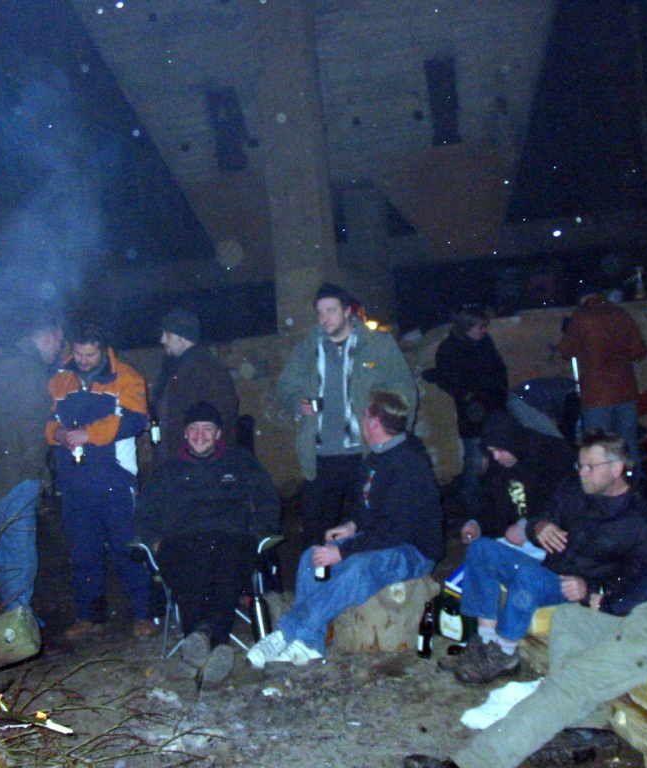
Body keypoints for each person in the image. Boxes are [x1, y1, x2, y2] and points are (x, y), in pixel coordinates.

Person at [403, 467, 647, 768]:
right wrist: (606, 597)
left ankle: (470, 763)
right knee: (569, 618)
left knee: (569, 685)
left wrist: (611, 603)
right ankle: (586, 727)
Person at [246, 391, 442, 668]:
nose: (361, 421)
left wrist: (343, 552)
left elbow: (394, 531)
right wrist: (351, 526)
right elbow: (368, 512)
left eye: (365, 415)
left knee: (357, 567)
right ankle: (310, 644)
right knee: (311, 558)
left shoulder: (409, 463)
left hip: (414, 551)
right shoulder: (374, 458)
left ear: (375, 422)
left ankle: (286, 633)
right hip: (382, 540)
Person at [444, 430, 647, 684]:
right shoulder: (573, 488)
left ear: (617, 468)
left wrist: (590, 589)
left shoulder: (640, 522)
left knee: (529, 575)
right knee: (481, 549)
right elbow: (542, 516)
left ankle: (506, 654)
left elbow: (640, 583)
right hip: (549, 572)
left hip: (574, 590)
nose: (582, 472)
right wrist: (539, 526)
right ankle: (485, 643)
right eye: (580, 465)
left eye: (590, 467)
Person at [137, 401, 279, 687]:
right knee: (184, 564)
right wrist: (153, 541)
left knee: (226, 564)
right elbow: (145, 513)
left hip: (231, 538)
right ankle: (215, 641)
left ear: (218, 434)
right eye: (194, 429)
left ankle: (198, 643)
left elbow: (268, 502)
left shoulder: (240, 462)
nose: (200, 435)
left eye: (207, 429)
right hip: (181, 540)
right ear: (185, 433)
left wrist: (259, 534)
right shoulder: (168, 470)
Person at [277, 283, 417, 547]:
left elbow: (405, 391)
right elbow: (285, 388)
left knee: (365, 527)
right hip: (319, 457)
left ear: (348, 311)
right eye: (320, 313)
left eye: (331, 310)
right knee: (316, 533)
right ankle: (320, 573)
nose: (324, 318)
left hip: (364, 454)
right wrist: (296, 403)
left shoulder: (378, 345)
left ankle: (363, 574)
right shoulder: (307, 349)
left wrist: (393, 439)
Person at [46, 322, 155, 641]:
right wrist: (58, 433)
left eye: (90, 355)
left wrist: (89, 434)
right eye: (78, 354)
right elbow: (50, 420)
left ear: (104, 351)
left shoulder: (127, 377)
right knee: (83, 552)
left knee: (127, 548)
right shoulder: (61, 378)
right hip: (74, 481)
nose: (82, 360)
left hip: (115, 479)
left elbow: (135, 420)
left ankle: (143, 613)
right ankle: (89, 616)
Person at [0, 316, 62, 616]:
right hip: (16, 476)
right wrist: (38, 471)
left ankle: (14, 617)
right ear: (49, 337)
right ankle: (20, 621)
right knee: (19, 553)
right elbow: (30, 429)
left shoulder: (7, 363)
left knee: (7, 552)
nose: (58, 350)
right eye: (59, 342)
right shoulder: (29, 369)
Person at [422, 305, 509, 521]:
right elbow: (448, 379)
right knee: (474, 460)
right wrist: (468, 396)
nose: (483, 331)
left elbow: (498, 369)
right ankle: (473, 510)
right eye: (480, 327)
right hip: (473, 415)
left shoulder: (485, 342)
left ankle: (498, 505)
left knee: (498, 459)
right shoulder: (450, 348)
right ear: (467, 326)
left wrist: (500, 393)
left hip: (495, 409)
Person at [557, 288, 647, 472]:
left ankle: (603, 487)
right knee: (628, 445)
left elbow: (565, 351)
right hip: (625, 391)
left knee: (599, 447)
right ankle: (633, 485)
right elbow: (640, 352)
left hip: (596, 394)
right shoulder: (621, 314)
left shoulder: (581, 317)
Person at [460, 410, 575, 545]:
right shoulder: (497, 467)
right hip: (518, 540)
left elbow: (562, 505)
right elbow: (492, 505)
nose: (496, 457)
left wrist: (526, 528)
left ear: (512, 443)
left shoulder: (551, 456)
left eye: (500, 450)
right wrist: (477, 525)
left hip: (555, 538)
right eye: (491, 452)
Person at [151, 309, 239, 467]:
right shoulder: (176, 368)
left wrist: (203, 459)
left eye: (168, 335)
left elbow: (220, 420)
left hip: (197, 464)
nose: (162, 340)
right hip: (177, 462)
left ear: (182, 337)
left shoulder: (206, 370)